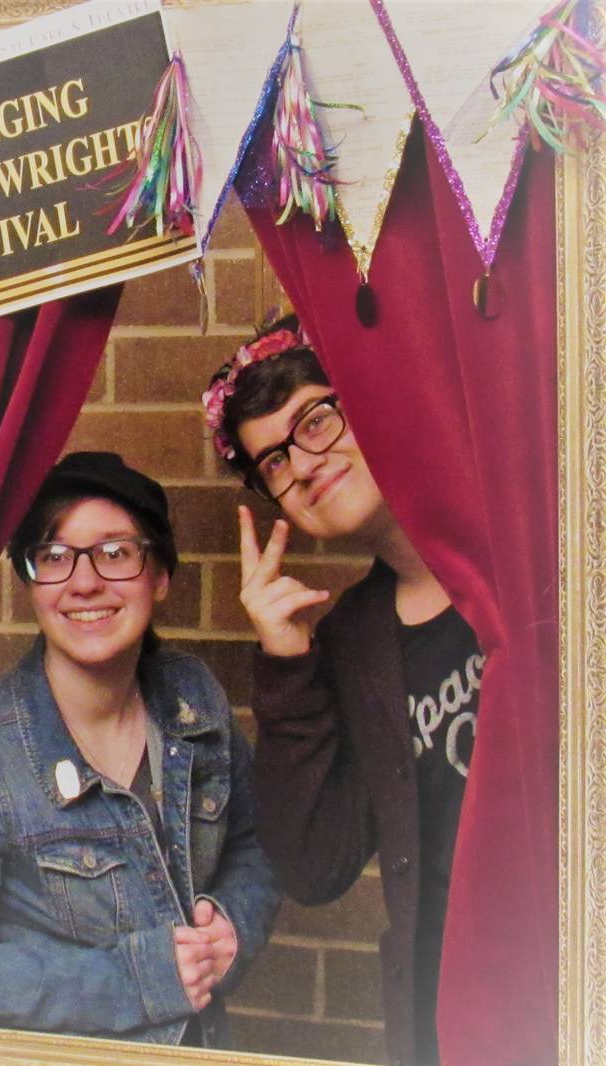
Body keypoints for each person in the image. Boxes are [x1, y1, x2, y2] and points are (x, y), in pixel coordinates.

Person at [202, 317, 483, 1066]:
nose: (306, 462)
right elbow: (316, 864)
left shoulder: (515, 543)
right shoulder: (356, 640)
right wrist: (287, 660)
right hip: (450, 1018)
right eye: (275, 461)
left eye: (317, 420)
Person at [0, 451, 280, 1046]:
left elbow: (259, 843)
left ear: (160, 576)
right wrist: (139, 980)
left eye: (115, 552)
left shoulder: (193, 699)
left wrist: (234, 926)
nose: (84, 580)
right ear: (30, 585)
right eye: (54, 556)